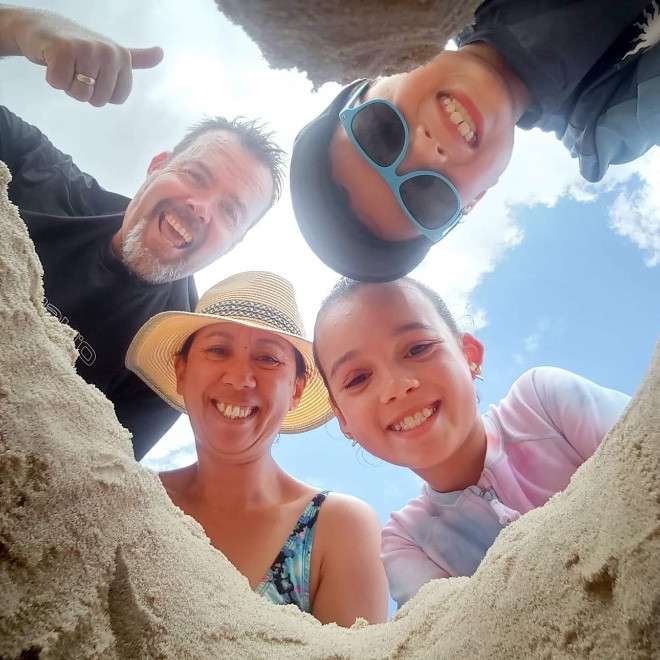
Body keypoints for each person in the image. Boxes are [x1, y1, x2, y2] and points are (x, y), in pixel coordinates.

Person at [0, 7, 286, 459]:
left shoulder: (174, 361)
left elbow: (84, 477)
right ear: (156, 167)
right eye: (195, 176)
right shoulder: (44, 177)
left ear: (233, 245)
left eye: (230, 212)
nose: (201, 208)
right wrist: (19, 29)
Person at [312, 276, 630, 607]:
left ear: (469, 356)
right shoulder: (407, 542)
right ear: (343, 419)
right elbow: (452, 631)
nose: (396, 386)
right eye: (358, 378)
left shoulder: (543, 405)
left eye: (418, 348)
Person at [290, 0, 660, 282]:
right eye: (426, 197)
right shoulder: (619, 120)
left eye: (380, 132)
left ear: (374, 77)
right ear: (476, 199)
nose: (428, 148)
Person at [125, 271, 389, 625]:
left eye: (268, 359)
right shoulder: (130, 500)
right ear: (182, 370)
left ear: (296, 389)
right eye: (218, 350)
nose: (239, 378)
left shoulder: (338, 528)